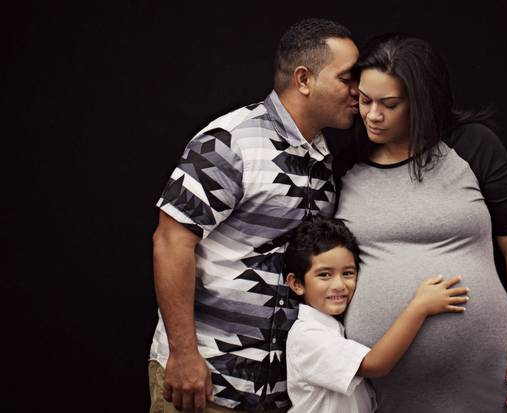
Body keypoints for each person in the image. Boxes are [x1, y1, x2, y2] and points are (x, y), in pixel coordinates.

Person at [148, 18, 360, 413]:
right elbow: (171, 242)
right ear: (303, 79)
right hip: (204, 381)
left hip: (279, 393)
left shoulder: (323, 155)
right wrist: (184, 354)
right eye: (347, 78)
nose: (357, 92)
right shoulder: (231, 141)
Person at [335, 34, 507, 413]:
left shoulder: (472, 145)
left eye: (390, 104)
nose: (373, 114)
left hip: (483, 374)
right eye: (365, 100)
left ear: (421, 102)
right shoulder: (346, 165)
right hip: (383, 387)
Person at [283, 217, 470, 413]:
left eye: (348, 273)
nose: (339, 285)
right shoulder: (306, 337)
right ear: (297, 284)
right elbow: (375, 364)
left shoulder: (332, 329)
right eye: (324, 275)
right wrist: (420, 307)